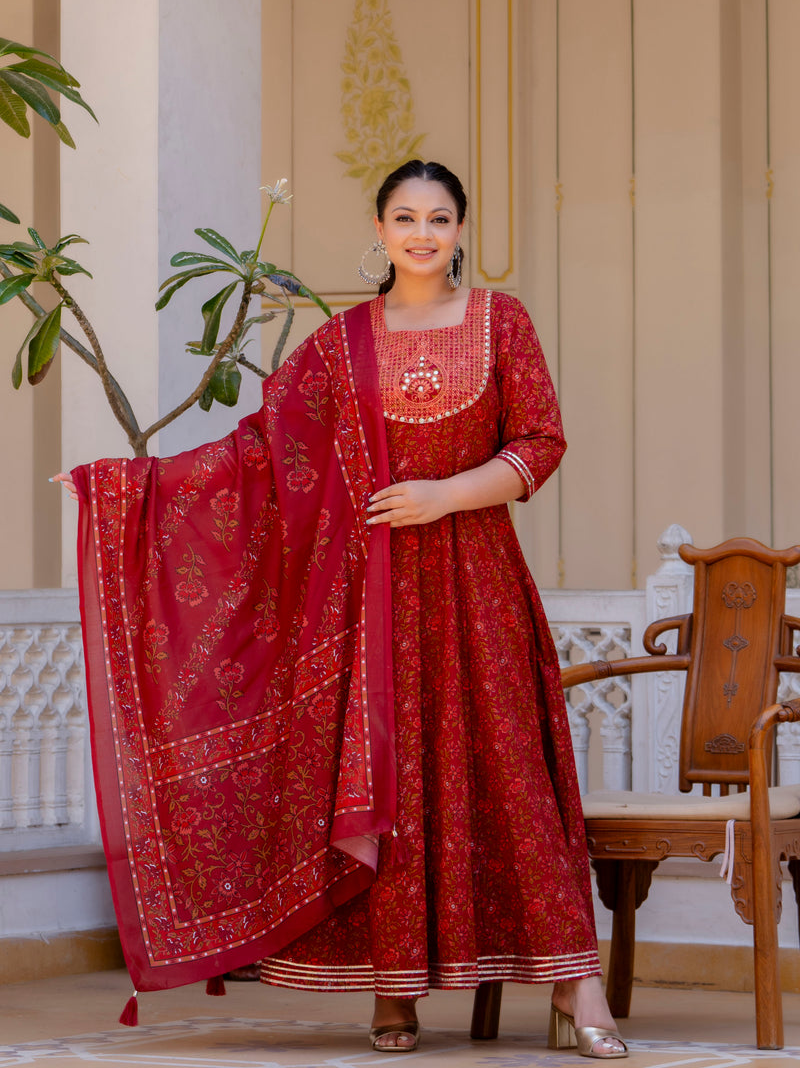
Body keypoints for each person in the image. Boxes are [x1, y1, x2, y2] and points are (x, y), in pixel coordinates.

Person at [55, 160, 626, 1058]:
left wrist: (444, 496)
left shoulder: (499, 320)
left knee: (510, 775)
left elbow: (542, 440)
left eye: (440, 218)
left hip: (478, 584)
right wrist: (126, 488)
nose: (423, 234)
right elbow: (259, 452)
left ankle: (574, 986)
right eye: (406, 217)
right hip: (368, 597)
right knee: (387, 784)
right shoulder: (342, 340)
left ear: (463, 230)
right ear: (380, 226)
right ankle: (389, 992)